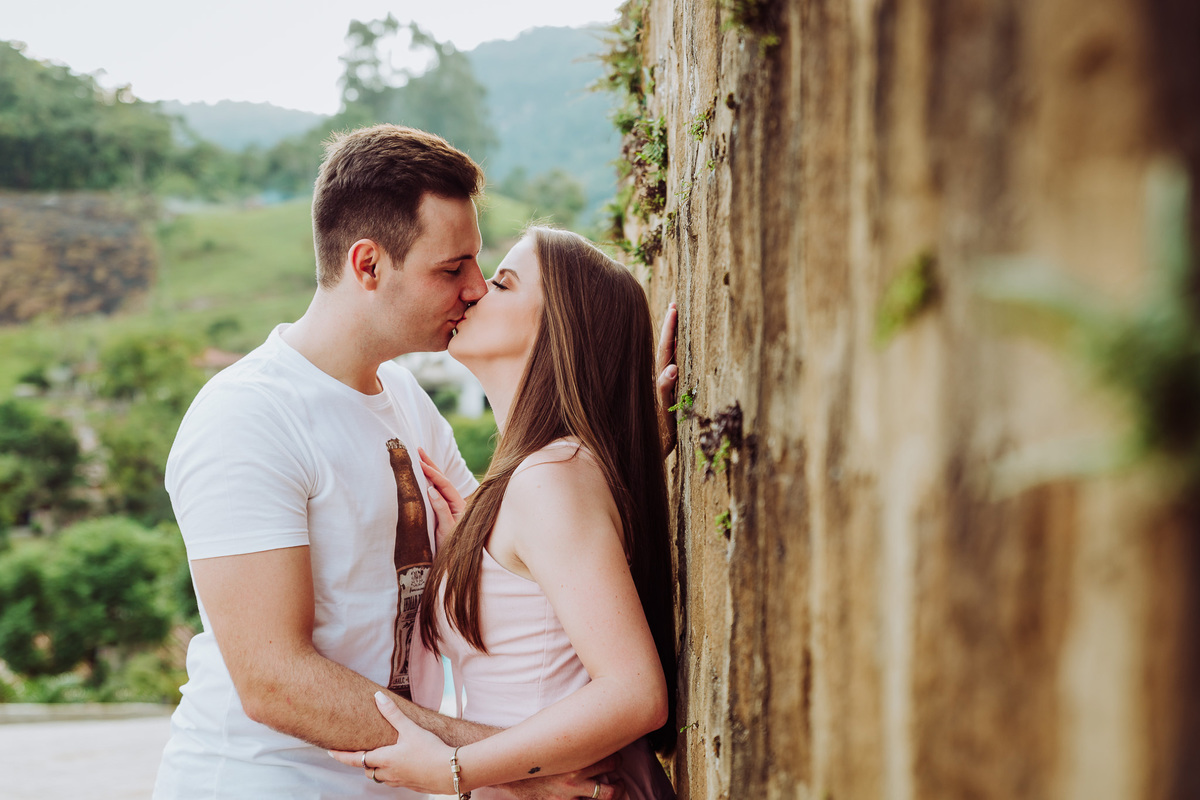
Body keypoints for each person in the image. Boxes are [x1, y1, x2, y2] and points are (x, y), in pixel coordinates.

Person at [153, 125, 677, 799]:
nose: (473, 290)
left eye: (482, 268)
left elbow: (511, 550)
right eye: (451, 269)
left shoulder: (402, 396)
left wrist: (625, 436)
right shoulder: (247, 416)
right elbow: (274, 679)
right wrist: (517, 766)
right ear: (368, 265)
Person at [330, 227, 678, 800]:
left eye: (501, 283)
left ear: (557, 330)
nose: (472, 292)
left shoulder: (550, 480)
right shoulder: (539, 478)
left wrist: (453, 768)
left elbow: (635, 693)